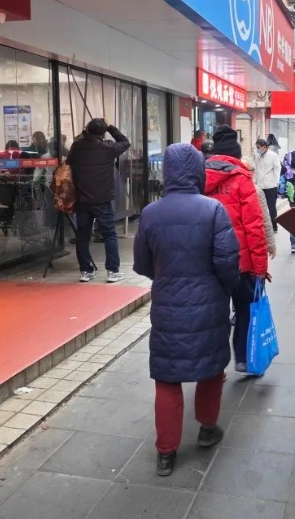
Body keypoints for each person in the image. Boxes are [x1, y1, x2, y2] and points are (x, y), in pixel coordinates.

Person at [133, 143, 240, 477]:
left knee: (167, 376)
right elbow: (228, 261)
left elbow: (142, 263)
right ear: (197, 171)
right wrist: (226, 290)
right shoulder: (213, 209)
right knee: (211, 367)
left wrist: (167, 277)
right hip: (210, 302)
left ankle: (166, 452)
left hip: (167, 304)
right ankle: (207, 428)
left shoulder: (151, 212)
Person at [205, 127, 270, 374]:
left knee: (215, 312)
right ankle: (242, 358)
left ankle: (215, 364)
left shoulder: (198, 178)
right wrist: (260, 267)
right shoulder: (242, 179)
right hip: (242, 262)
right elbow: (254, 226)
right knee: (245, 310)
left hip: (210, 261)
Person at [68, 118, 130, 283]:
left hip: (82, 199)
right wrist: (110, 127)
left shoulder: (76, 147)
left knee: (83, 235)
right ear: (103, 132)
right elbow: (125, 142)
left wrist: (86, 133)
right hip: (102, 199)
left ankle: (85, 271)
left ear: (87, 130)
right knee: (109, 234)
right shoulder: (108, 147)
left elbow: (69, 163)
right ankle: (112, 271)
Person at [240, 156, 277, 259]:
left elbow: (265, 218)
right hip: (252, 240)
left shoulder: (229, 187)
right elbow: (265, 219)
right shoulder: (255, 190)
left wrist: (271, 243)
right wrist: (271, 244)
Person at [255, 138, 282, 233]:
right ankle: (264, 227)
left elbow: (277, 169)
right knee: (261, 208)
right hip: (260, 186)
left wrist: (277, 182)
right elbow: (256, 169)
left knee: (271, 208)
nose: (258, 149)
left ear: (265, 147)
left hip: (271, 186)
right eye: (257, 147)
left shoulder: (273, 155)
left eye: (259, 147)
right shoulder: (257, 155)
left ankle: (274, 226)